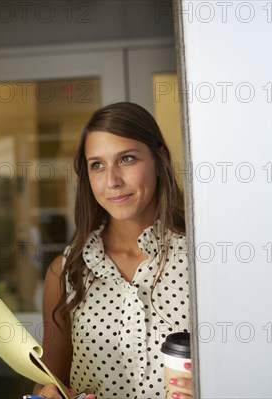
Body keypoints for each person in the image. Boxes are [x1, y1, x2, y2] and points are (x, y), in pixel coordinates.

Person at [33, 102, 192, 398]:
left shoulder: (200, 260)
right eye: (97, 165)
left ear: (160, 159)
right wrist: (46, 394)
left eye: (127, 159)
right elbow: (50, 380)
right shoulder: (66, 271)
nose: (112, 181)